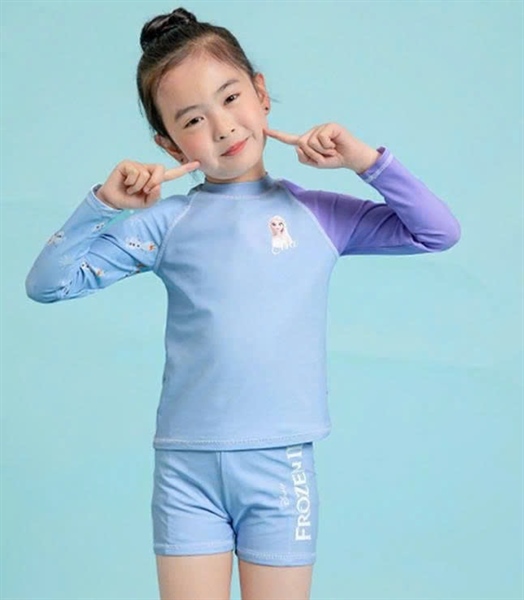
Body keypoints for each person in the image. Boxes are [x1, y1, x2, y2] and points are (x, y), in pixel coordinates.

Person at [25, 6, 461, 600]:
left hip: (280, 468)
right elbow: (48, 283)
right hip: (186, 471)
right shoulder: (165, 223)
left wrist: (363, 160)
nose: (223, 127)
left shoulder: (319, 215)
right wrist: (103, 204)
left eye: (231, 98)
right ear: (168, 143)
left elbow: (437, 232)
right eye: (193, 120)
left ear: (260, 94)